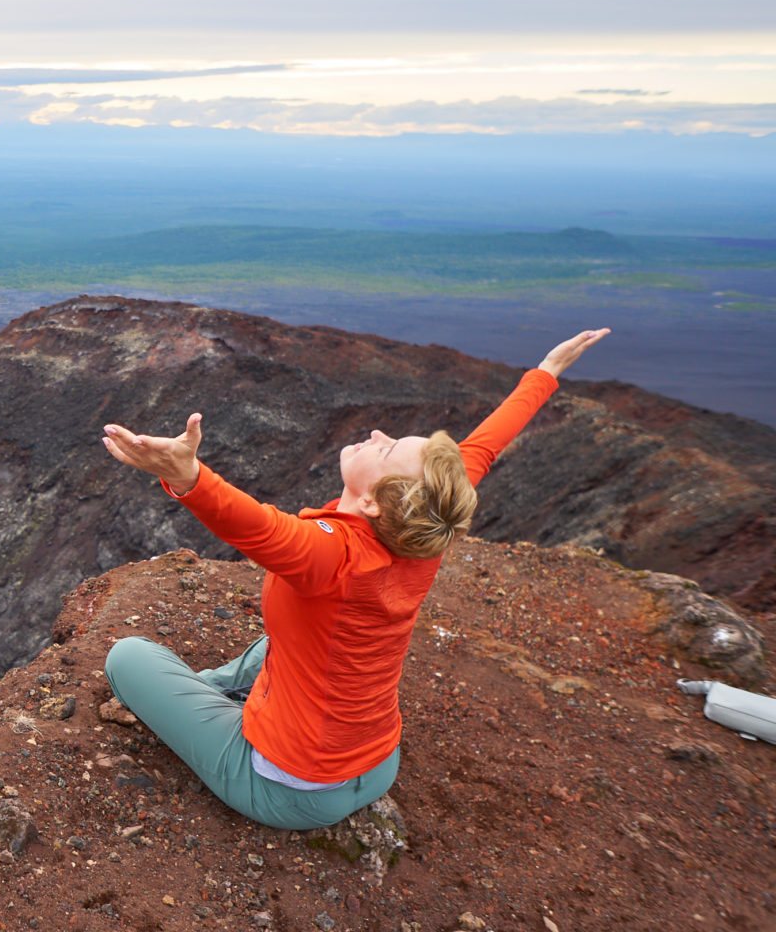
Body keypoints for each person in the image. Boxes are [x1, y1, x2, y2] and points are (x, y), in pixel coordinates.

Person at [99, 328, 610, 829]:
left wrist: (187, 475)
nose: (377, 435)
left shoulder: (334, 555)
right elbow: (483, 447)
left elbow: (255, 526)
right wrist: (545, 374)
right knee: (277, 641)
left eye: (386, 450)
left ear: (371, 500)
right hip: (375, 764)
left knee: (128, 656)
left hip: (288, 786)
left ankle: (206, 703)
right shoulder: (425, 521)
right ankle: (213, 691)